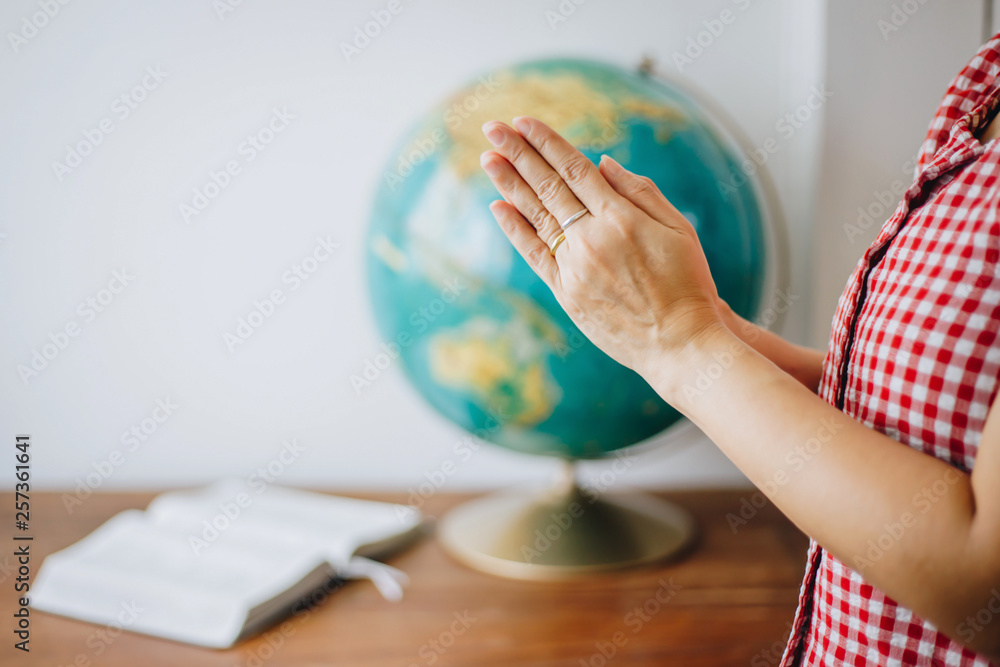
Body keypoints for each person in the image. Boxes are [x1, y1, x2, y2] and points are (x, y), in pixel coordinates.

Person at [478, 34, 1000, 666]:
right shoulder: (985, 80)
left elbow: (984, 585)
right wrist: (720, 332)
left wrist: (678, 343)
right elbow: (930, 420)